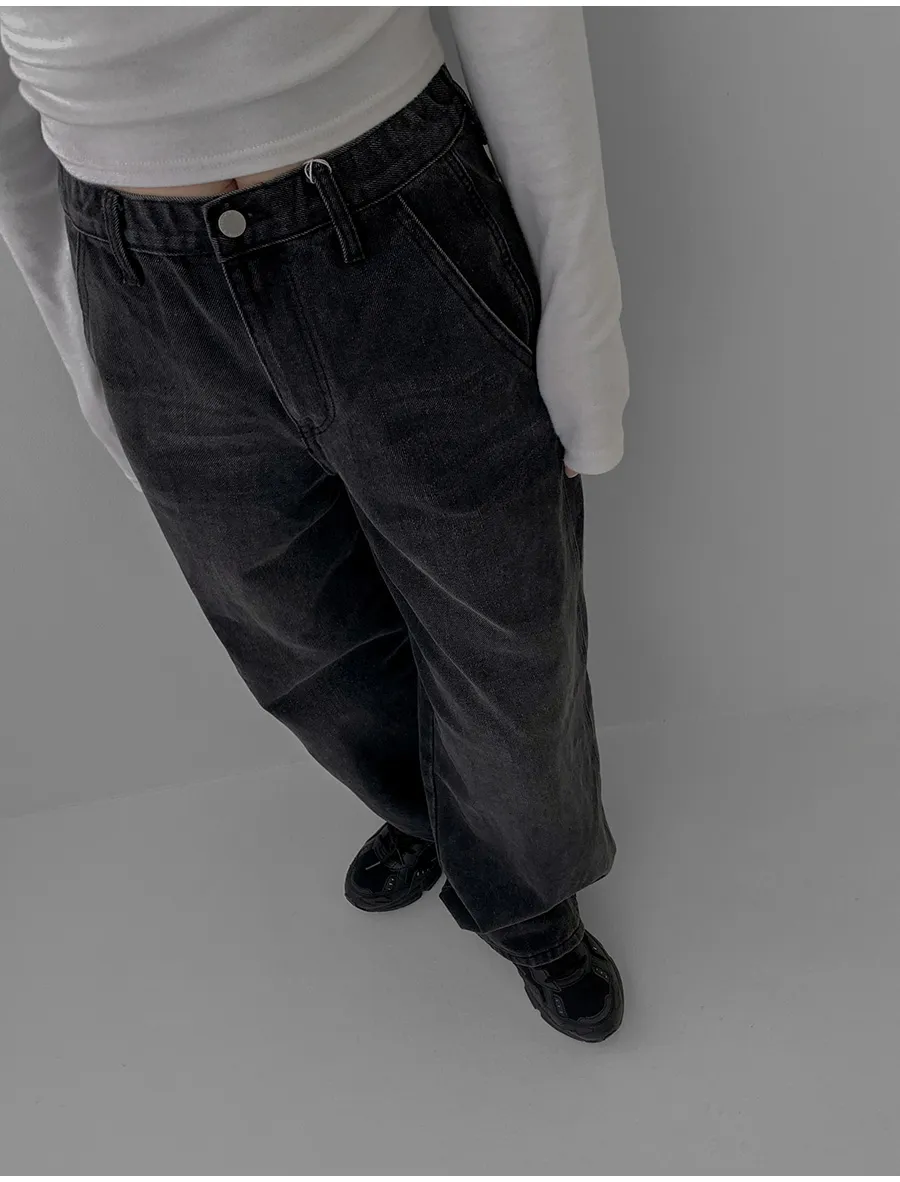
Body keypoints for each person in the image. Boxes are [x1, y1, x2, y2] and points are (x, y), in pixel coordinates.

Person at [0, 7, 628, 1044]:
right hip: (137, 274)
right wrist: (82, 348)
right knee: (297, 632)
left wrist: (582, 303)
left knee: (508, 624)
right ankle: (436, 813)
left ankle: (525, 893)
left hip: (394, 212)